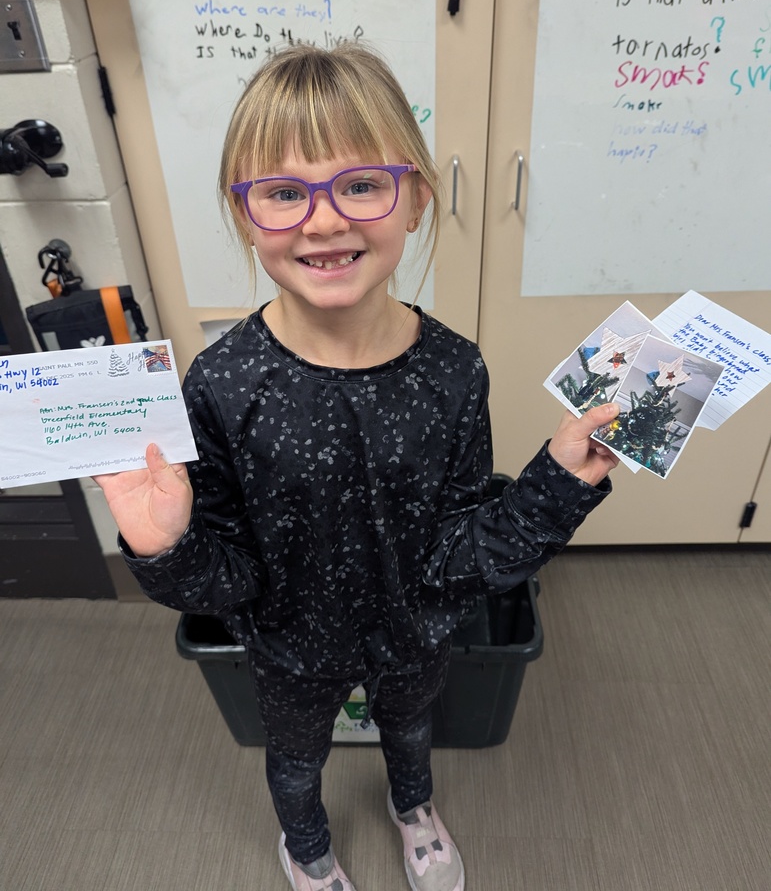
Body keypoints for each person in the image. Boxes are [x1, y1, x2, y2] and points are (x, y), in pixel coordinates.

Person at [95, 43, 619, 891]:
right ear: (244, 215)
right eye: (283, 193)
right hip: (289, 647)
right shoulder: (223, 383)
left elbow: (461, 553)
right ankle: (305, 848)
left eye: (362, 184)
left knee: (409, 729)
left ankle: (413, 807)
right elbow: (226, 578)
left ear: (415, 199)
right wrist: (166, 547)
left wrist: (556, 484)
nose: (323, 221)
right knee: (296, 757)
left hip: (415, 633)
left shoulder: (454, 369)